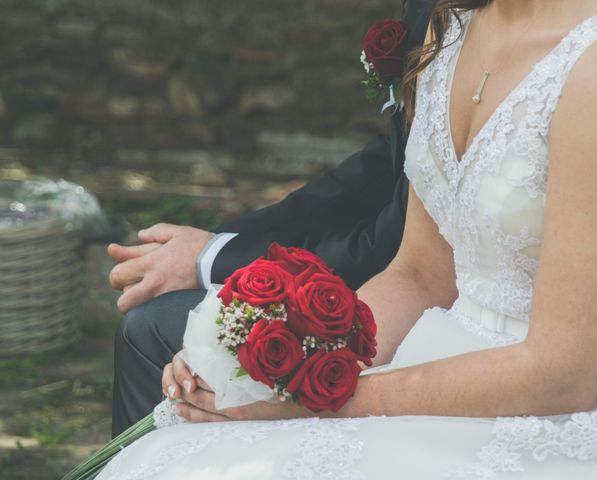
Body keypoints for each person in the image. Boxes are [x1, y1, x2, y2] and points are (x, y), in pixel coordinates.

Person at [99, 0, 597, 478]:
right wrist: (270, 364)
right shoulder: (449, 26)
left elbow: (567, 373)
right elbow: (422, 275)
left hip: (561, 415)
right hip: (440, 352)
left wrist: (320, 399)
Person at [109, 0, 436, 435]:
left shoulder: (470, 27)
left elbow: (389, 244)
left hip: (452, 315)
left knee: (149, 328)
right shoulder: (439, 11)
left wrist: (218, 268)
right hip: (410, 284)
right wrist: (214, 248)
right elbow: (387, 167)